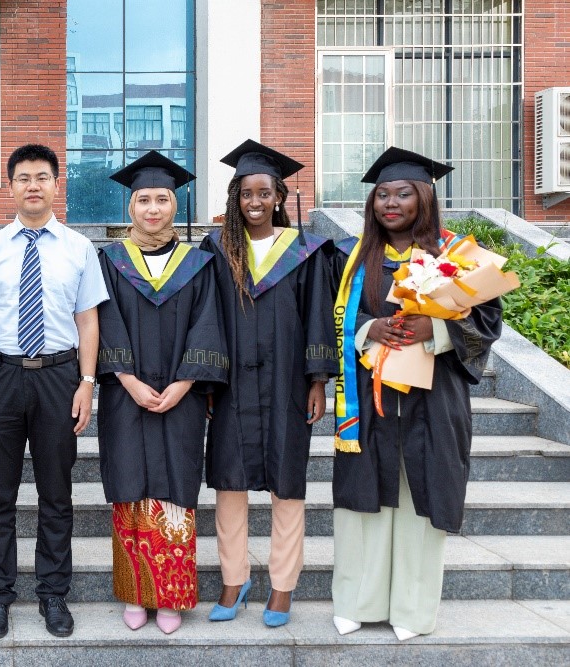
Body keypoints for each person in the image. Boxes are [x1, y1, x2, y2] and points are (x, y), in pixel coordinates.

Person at [330, 147, 502, 640]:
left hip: (434, 397)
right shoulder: (350, 257)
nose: (391, 203)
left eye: (403, 193)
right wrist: (370, 329)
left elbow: (487, 322)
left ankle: (412, 608)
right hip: (369, 395)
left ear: (423, 198)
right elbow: (327, 316)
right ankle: (357, 601)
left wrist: (436, 329)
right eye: (382, 194)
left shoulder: (456, 256)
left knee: (419, 497)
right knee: (363, 500)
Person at [0, 144, 108, 639]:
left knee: (57, 493)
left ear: (55, 184)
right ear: (10, 186)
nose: (32, 185)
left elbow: (88, 321)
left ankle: (53, 594)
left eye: (42, 177)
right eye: (23, 178)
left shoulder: (79, 248)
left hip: (58, 376)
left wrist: (86, 382)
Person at [201, 140, 338, 628]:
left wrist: (318, 381)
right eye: (246, 193)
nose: (254, 202)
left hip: (286, 382)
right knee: (229, 483)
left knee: (288, 484)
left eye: (264, 193)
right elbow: (206, 317)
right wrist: (208, 380)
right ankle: (234, 579)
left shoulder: (306, 251)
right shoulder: (217, 248)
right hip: (232, 382)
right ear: (235, 198)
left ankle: (282, 586)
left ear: (280, 195)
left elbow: (318, 315)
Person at [96, 151, 228, 634]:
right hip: (124, 393)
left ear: (176, 205)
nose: (153, 208)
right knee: (129, 484)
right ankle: (135, 592)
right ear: (130, 207)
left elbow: (208, 323)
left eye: (162, 200)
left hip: (181, 396)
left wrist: (185, 382)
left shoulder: (198, 264)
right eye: (144, 200)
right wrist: (127, 379)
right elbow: (103, 321)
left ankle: (170, 595)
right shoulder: (109, 261)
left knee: (175, 488)